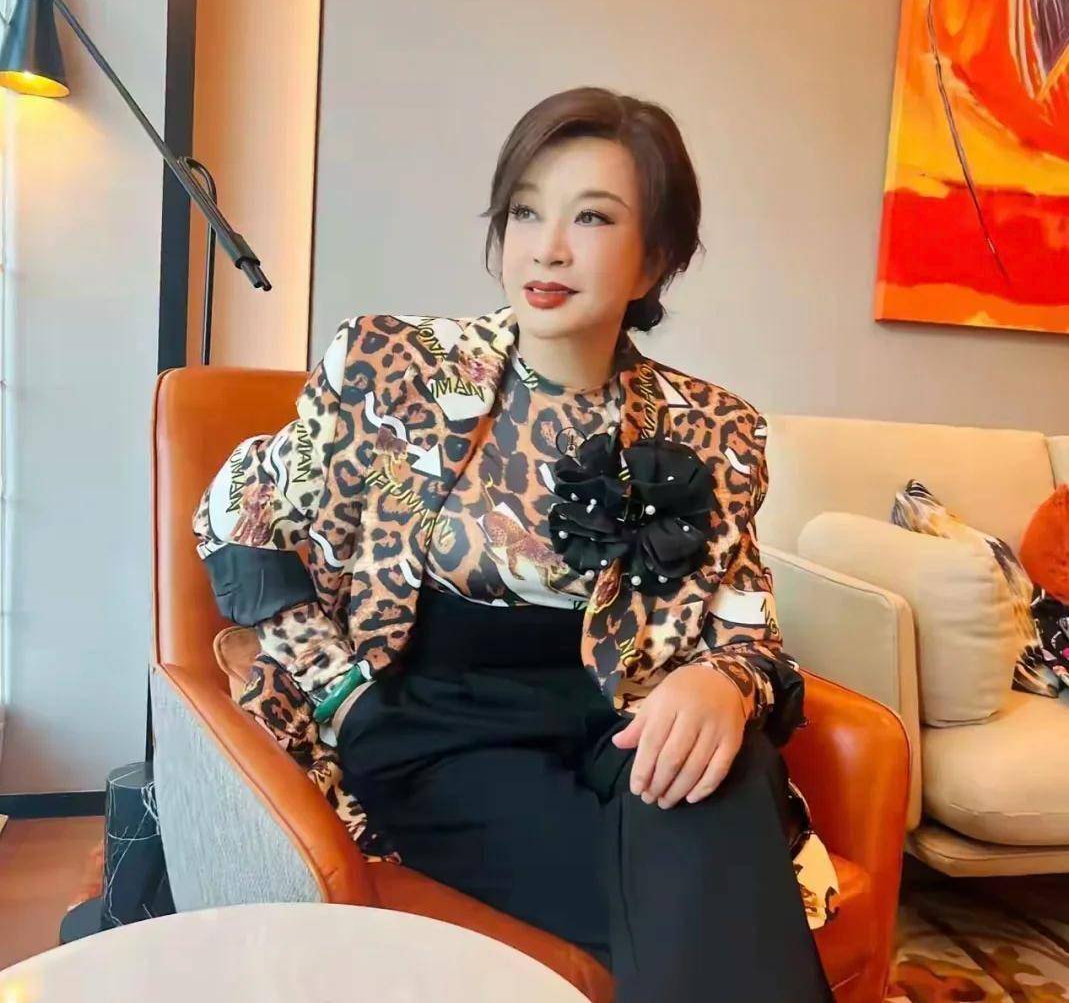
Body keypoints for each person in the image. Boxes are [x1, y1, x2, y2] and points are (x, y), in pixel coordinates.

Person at [193, 86, 839, 1001]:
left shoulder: (713, 426)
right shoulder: (394, 367)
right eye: (526, 211)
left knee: (725, 772)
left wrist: (722, 683)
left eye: (592, 217)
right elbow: (237, 514)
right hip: (445, 737)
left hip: (624, 724)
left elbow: (750, 635)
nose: (546, 247)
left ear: (655, 259)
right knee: (700, 898)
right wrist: (343, 697)